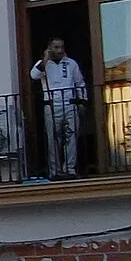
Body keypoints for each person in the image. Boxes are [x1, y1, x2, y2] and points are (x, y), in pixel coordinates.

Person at [29, 37, 88, 179]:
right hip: (51, 105)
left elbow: (79, 82)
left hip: (70, 103)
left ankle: (70, 169)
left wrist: (82, 101)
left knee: (71, 136)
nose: (59, 50)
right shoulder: (43, 64)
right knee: (53, 139)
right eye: (56, 47)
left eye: (61, 47)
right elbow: (33, 76)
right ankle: (54, 171)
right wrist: (45, 59)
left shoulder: (71, 63)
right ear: (50, 48)